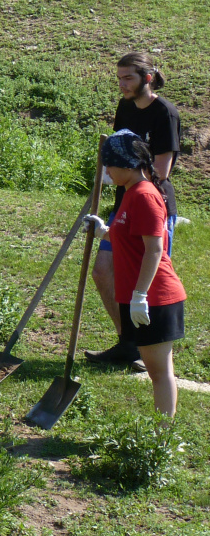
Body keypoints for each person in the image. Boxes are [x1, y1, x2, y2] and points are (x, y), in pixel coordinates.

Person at [86, 52, 181, 369]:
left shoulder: (164, 113)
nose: (122, 84)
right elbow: (116, 146)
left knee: (147, 276)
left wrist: (128, 177)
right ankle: (129, 343)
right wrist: (107, 173)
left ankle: (150, 348)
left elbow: (162, 170)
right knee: (103, 270)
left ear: (147, 79)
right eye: (119, 78)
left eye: (128, 78)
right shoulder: (125, 107)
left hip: (151, 203)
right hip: (123, 200)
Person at [83, 131, 186, 419]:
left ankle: (160, 441)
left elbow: (155, 249)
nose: (107, 173)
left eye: (110, 166)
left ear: (127, 164)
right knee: (155, 370)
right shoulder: (131, 192)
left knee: (159, 372)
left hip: (156, 297)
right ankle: (158, 437)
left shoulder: (145, 196)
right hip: (139, 295)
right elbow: (130, 238)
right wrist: (104, 230)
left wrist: (141, 295)